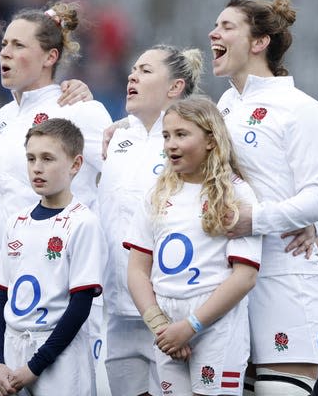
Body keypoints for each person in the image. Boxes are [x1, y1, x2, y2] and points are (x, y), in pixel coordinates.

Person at [209, 0, 318, 395]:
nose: (214, 32)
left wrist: (258, 220)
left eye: (227, 26)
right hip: (225, 280)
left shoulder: (301, 109)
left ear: (259, 42)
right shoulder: (223, 105)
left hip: (283, 279)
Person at [0, 0, 112, 390]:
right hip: (11, 287)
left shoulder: (79, 109)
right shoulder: (3, 118)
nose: (6, 52)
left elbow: (122, 173)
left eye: (19, 45)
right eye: (4, 43)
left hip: (65, 284)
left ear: (50, 56)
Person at [125, 97, 262, 396]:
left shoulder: (235, 192)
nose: (170, 144)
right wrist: (161, 326)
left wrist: (191, 326)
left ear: (211, 140)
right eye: (166, 135)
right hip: (166, 327)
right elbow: (136, 269)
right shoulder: (157, 194)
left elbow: (245, 276)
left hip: (216, 325)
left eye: (181, 135)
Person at [97, 44, 204, 396]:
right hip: (116, 309)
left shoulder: (194, 139)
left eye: (145, 70)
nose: (132, 75)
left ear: (174, 87)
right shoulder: (118, 137)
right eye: (132, 69)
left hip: (168, 309)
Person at [0, 118, 105, 396]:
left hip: (57, 358)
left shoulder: (83, 222)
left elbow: (80, 305)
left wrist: (36, 365)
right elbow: (1, 295)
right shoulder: (16, 221)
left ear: (75, 165)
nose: (37, 167)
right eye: (31, 158)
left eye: (48, 158)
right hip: (12, 352)